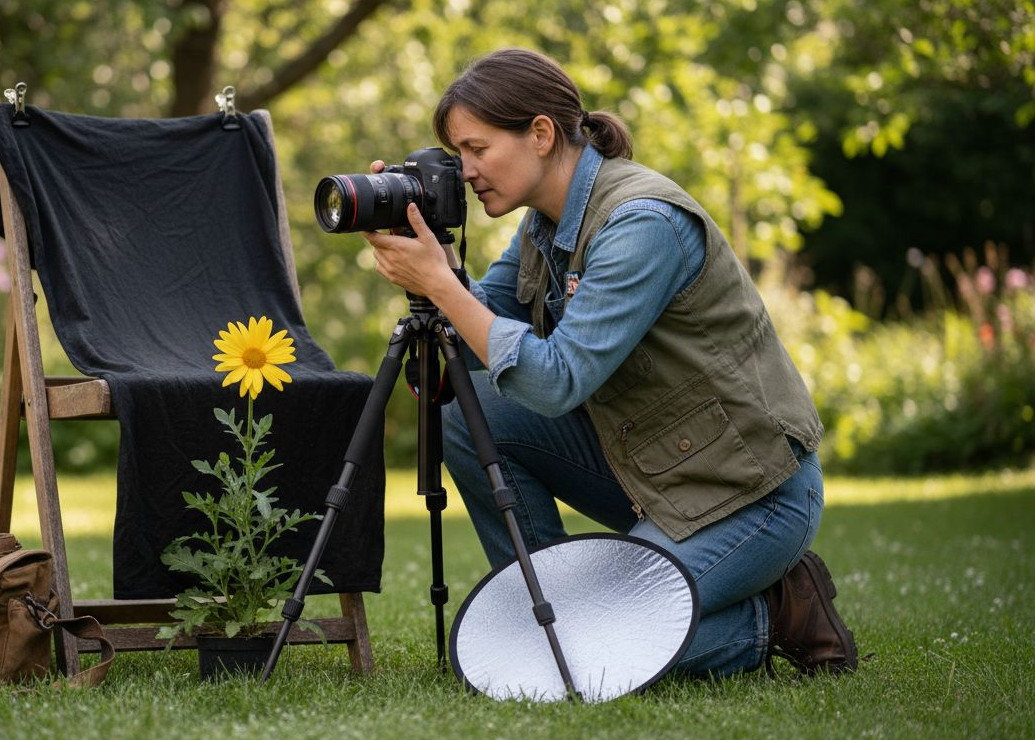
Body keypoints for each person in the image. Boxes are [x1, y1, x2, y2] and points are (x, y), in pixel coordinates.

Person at [362, 48, 856, 677]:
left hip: (749, 494)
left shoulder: (640, 224)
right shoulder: (544, 222)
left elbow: (555, 379)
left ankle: (775, 613)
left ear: (541, 134)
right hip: (652, 468)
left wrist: (442, 286)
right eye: (457, 154)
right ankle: (545, 602)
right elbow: (485, 316)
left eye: (476, 149)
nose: (465, 171)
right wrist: (426, 257)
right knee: (469, 411)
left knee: (579, 654)